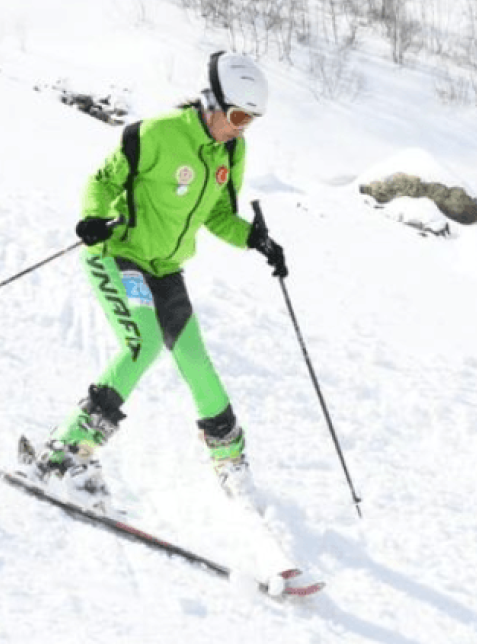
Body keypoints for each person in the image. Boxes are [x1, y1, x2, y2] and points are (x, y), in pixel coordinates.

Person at [23, 51, 287, 506]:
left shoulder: (231, 150)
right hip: (118, 254)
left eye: (252, 120)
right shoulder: (156, 134)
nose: (242, 127)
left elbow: (220, 216)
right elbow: (103, 182)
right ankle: (64, 453)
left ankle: (231, 463)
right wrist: (93, 217)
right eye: (239, 115)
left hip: (165, 267)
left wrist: (256, 240)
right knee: (142, 344)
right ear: (213, 102)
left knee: (195, 359)